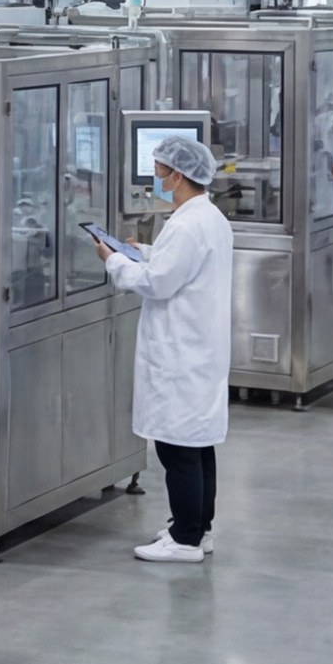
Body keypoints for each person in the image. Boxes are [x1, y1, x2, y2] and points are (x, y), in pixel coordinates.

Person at [100, 136, 232, 563]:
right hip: (199, 350)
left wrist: (114, 261)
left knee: (177, 450)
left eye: (160, 170)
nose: (156, 176)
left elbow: (158, 282)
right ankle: (197, 528)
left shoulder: (187, 223)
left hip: (181, 353)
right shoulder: (207, 217)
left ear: (178, 175)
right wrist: (143, 251)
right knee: (197, 445)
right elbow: (178, 264)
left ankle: (186, 541)